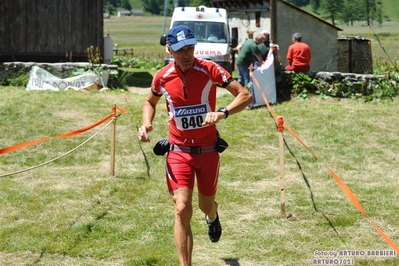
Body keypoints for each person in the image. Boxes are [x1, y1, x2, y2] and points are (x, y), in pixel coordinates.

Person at [137, 25, 252, 266]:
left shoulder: (209, 69)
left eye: (190, 48)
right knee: (181, 209)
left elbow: (245, 95)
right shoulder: (162, 76)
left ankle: (212, 215)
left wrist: (222, 113)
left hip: (208, 151)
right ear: (170, 50)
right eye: (181, 50)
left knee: (204, 205)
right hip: (178, 151)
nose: (187, 54)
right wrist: (146, 123)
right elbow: (150, 101)